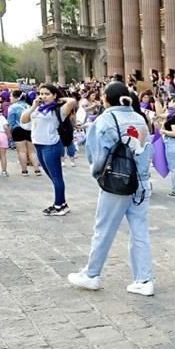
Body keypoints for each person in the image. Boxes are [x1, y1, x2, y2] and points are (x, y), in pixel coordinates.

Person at [67, 82, 154, 296]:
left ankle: (92, 274)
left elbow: (97, 155)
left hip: (116, 182)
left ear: (106, 97)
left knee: (104, 230)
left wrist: (98, 175)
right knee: (140, 231)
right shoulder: (139, 118)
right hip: (141, 182)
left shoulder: (106, 120)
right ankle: (144, 279)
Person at [21, 84, 77, 215]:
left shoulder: (58, 109)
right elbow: (23, 120)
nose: (43, 96)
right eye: (41, 93)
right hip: (39, 145)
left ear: (54, 95)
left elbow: (73, 101)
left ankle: (59, 206)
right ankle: (62, 203)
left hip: (51, 145)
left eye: (47, 94)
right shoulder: (37, 109)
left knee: (57, 177)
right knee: (52, 176)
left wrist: (59, 100)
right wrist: (34, 105)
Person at [7, 90, 41, 177]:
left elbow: (10, 121)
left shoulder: (12, 107)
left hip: (17, 129)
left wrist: (9, 133)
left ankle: (24, 171)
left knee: (21, 151)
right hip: (30, 129)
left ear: (16, 97)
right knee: (32, 151)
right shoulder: (29, 106)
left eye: (11, 96)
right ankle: (37, 170)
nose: (10, 98)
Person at [161, 97, 175, 197]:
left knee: (174, 168)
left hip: (173, 143)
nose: (168, 103)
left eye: (170, 101)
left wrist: (163, 131)